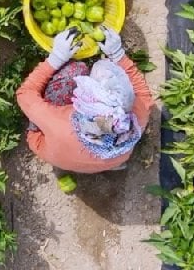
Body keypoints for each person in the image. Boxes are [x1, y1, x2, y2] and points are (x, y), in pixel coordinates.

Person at [16, 26, 153, 173]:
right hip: (110, 160)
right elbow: (143, 94)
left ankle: (41, 128)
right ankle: (110, 164)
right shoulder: (135, 118)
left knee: (74, 71)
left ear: (84, 105)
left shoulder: (60, 121)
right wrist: (118, 54)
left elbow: (24, 94)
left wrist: (56, 58)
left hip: (45, 143)